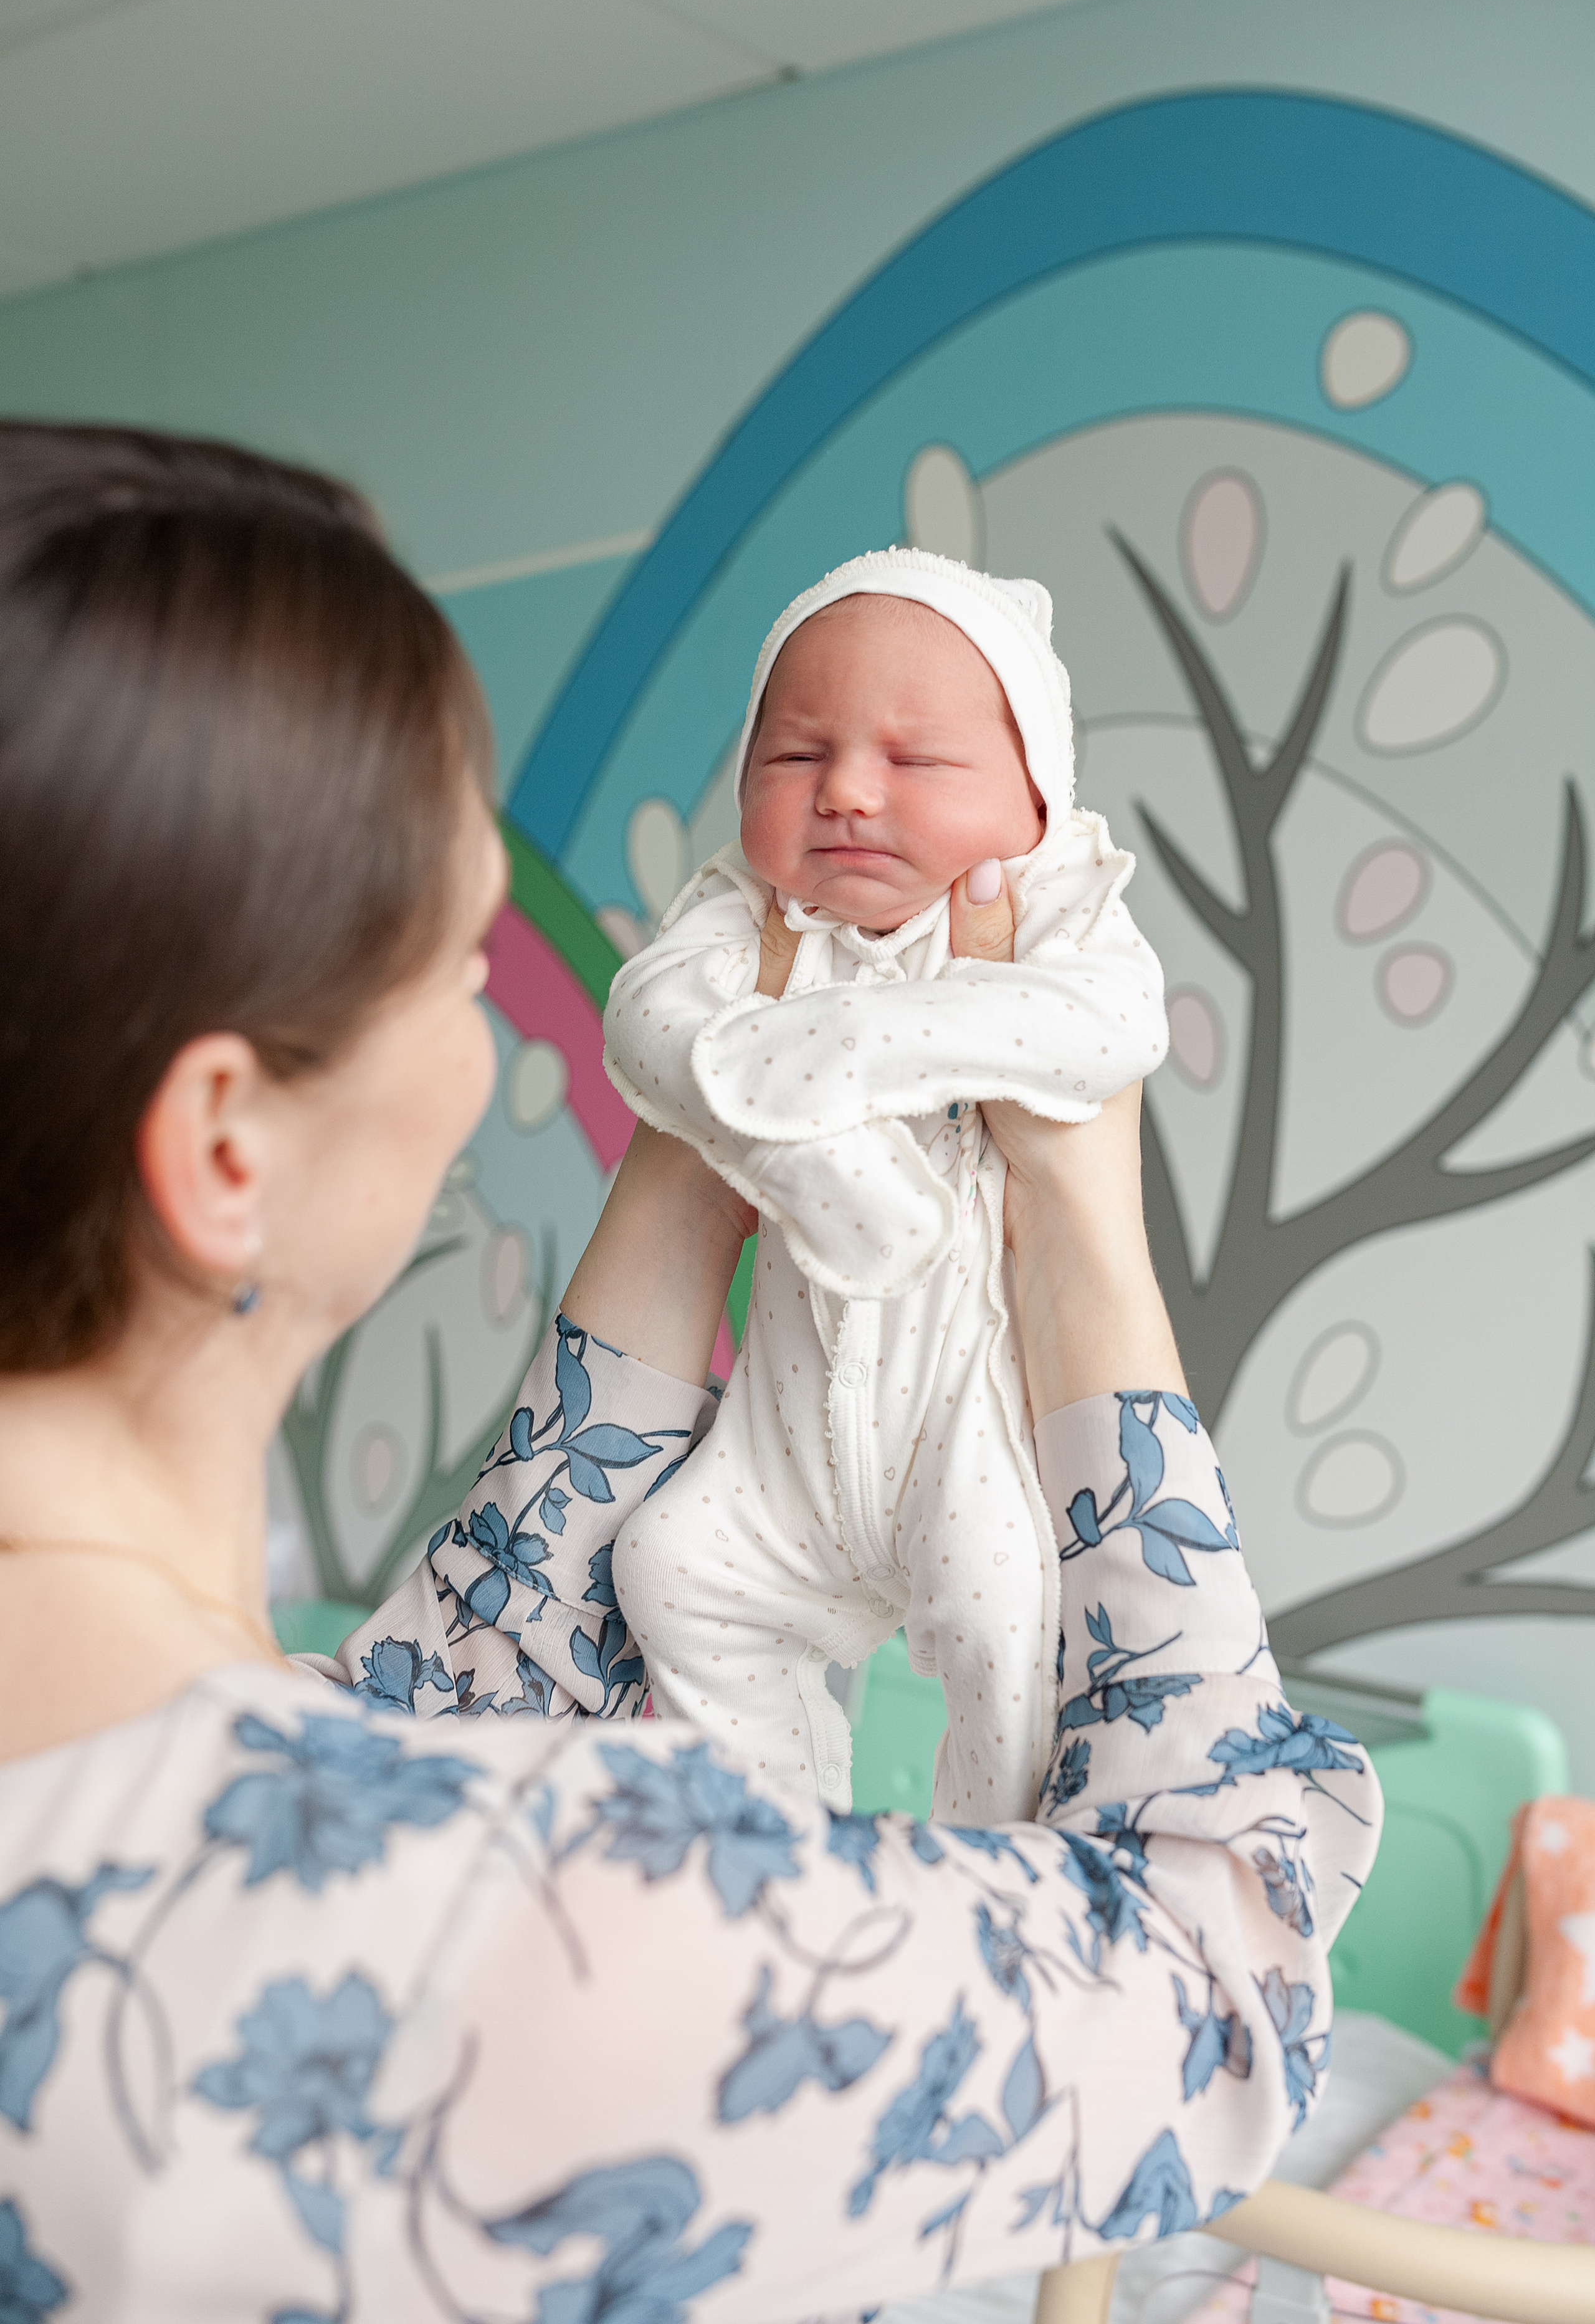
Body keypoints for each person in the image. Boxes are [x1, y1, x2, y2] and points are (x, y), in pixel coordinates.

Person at [0, 424, 1378, 2324]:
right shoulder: (619, 1934)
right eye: (463, 967)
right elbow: (1221, 1975)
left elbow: (465, 1688)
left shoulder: (288, 1796)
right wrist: (1093, 1240)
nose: (492, 1037)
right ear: (228, 1146)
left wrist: (716, 1134)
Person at [602, 548, 1166, 1820]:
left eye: (912, 762)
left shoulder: (1049, 904)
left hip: (962, 1433)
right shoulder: (749, 909)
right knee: (674, 1565)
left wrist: (837, 1046)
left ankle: (986, 1895)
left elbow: (1107, 1029)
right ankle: (774, 1874)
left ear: (1035, 793)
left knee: (1012, 1618)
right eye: (794, 756)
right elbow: (645, 1021)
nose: (847, 792)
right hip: (782, 1445)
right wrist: (815, 1152)